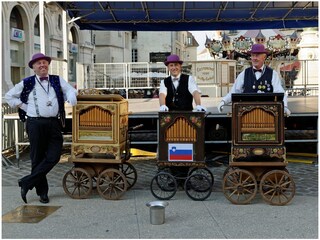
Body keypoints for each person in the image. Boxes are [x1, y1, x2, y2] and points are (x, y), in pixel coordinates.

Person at [5, 53, 78, 204]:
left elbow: (70, 90)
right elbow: (9, 96)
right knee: (37, 158)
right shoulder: (27, 82)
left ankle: (26, 182)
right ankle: (42, 193)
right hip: (35, 123)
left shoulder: (57, 80)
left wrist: (72, 97)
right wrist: (24, 106)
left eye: (44, 62)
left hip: (53, 123)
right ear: (33, 67)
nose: (42, 65)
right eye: (38, 63)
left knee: (54, 155)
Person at [158, 54, 206, 184]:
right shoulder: (165, 82)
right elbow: (162, 94)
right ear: (168, 67)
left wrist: (199, 105)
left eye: (176, 65)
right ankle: (175, 177)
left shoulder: (189, 79)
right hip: (171, 119)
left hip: (186, 118)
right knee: (171, 145)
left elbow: (195, 91)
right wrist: (163, 105)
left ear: (180, 66)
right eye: (171, 65)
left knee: (186, 145)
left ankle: (184, 177)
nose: (174, 67)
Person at [217, 44, 291, 116]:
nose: (254, 58)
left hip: (267, 115)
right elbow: (234, 91)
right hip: (247, 115)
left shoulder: (273, 74)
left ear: (264, 57)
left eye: (257, 55)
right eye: (253, 55)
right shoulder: (244, 74)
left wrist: (285, 106)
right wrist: (223, 101)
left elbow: (280, 91)